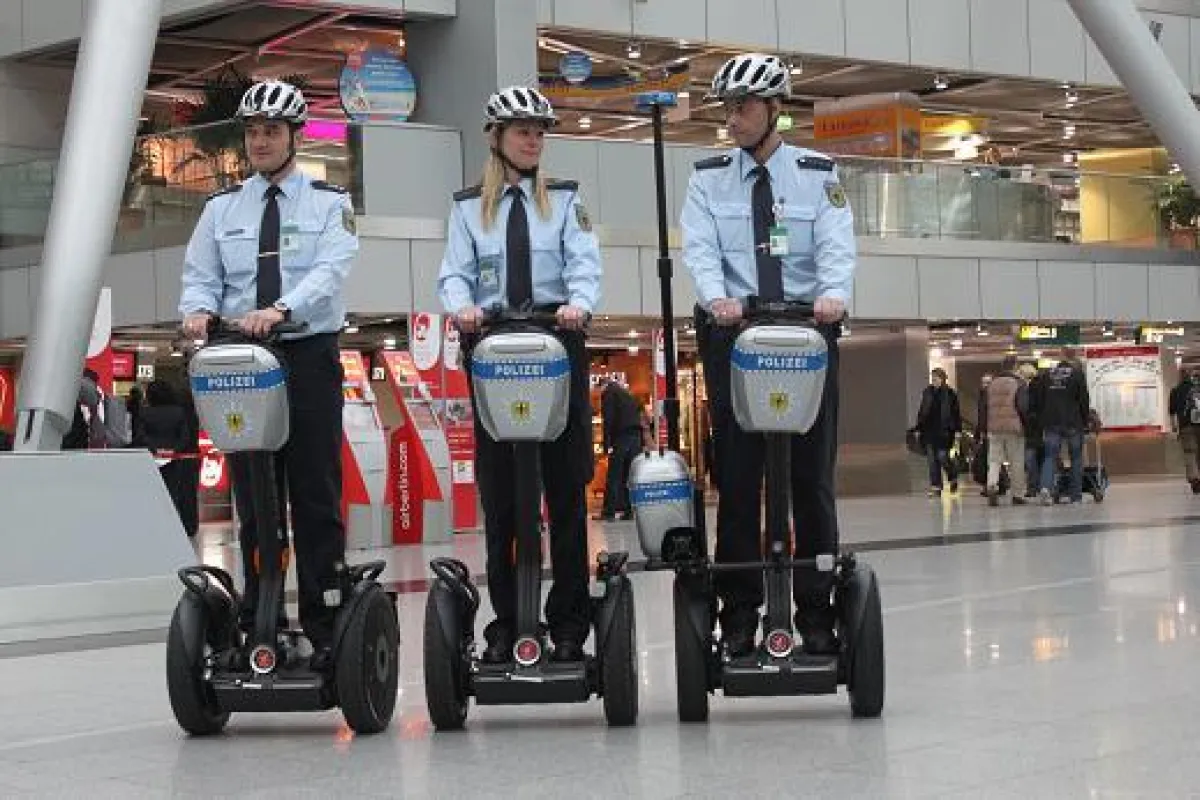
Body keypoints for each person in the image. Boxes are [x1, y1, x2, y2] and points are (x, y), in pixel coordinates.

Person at [178, 80, 358, 667]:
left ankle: (324, 616)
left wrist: (280, 311)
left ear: (294, 137)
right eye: (253, 131)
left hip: (305, 355)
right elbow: (200, 274)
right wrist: (199, 313)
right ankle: (261, 614)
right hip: (243, 361)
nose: (260, 140)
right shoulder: (221, 209)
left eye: (271, 131)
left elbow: (330, 272)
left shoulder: (330, 204)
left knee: (313, 491)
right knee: (254, 495)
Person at [681, 53, 854, 657]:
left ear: (776, 108)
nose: (733, 118)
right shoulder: (708, 179)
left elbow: (836, 244)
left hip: (807, 333)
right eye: (728, 108)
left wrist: (834, 295)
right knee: (737, 477)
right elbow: (700, 251)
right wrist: (716, 299)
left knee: (812, 477)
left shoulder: (817, 173)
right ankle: (739, 612)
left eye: (744, 106)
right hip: (737, 336)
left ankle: (814, 611)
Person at [437, 86, 601, 664]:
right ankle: (507, 622)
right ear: (497, 139)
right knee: (503, 501)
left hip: (556, 349)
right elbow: (452, 276)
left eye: (539, 131)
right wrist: (462, 307)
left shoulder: (563, 200)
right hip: (497, 356)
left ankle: (568, 625)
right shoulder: (467, 210)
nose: (533, 139)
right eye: (522, 130)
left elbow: (585, 265)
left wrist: (578, 304)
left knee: (564, 496)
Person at [134, 380, 199, 538]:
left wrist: (155, 449)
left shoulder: (144, 413)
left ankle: (156, 528)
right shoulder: (179, 412)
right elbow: (185, 437)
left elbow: (140, 436)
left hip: (151, 460)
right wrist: (173, 450)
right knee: (179, 494)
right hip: (177, 460)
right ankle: (183, 528)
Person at [1034, 347, 1090, 505]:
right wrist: (1085, 420)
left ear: (1061, 357)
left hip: (1051, 422)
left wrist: (1042, 419)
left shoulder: (1047, 375)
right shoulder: (1077, 375)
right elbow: (1084, 400)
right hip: (1073, 422)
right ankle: (1075, 495)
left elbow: (1040, 400)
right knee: (1076, 458)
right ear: (1074, 357)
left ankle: (1046, 487)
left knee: (1050, 456)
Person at [595, 378, 643, 521]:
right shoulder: (626, 393)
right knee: (629, 476)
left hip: (622, 438)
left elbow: (608, 419)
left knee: (613, 476)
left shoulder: (609, 392)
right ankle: (629, 511)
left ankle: (608, 512)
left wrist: (606, 445)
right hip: (636, 438)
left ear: (602, 386)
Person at [983, 356, 1028, 506]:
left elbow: (985, 407)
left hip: (994, 427)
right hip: (1013, 427)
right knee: (1016, 461)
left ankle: (992, 484)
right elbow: (1022, 406)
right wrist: (1026, 424)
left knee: (994, 460)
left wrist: (984, 426)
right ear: (1014, 366)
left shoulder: (992, 384)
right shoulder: (1019, 383)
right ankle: (1017, 494)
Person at [913, 368, 963, 497]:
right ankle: (936, 487)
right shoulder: (927, 393)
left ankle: (952, 477)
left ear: (943, 379)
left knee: (943, 457)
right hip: (929, 432)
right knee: (932, 460)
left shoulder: (950, 394)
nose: (933, 380)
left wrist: (958, 430)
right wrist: (918, 428)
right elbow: (922, 411)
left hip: (945, 432)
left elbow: (956, 413)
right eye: (932, 378)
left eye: (936, 378)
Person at [1168, 366, 1200, 494]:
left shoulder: (1175, 391)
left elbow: (1172, 412)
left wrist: (1174, 428)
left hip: (1186, 426)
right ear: (1190, 375)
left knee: (1189, 453)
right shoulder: (1197, 389)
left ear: (1180, 376)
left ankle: (1194, 479)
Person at [1019, 363, 1043, 497]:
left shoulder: (1028, 388)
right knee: (1036, 457)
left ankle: (1033, 487)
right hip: (1038, 426)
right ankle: (1038, 485)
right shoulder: (1036, 386)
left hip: (1032, 427)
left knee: (1030, 458)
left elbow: (1025, 407)